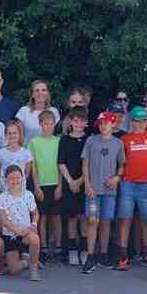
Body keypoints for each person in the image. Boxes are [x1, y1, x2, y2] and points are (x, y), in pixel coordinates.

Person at [115, 106, 147, 269]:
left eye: (144, 121)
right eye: (138, 121)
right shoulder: (125, 139)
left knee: (146, 220)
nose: (141, 124)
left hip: (146, 184)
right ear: (132, 121)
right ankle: (123, 256)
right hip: (128, 184)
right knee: (125, 219)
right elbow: (120, 162)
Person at [81, 111, 125, 272]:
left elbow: (122, 165)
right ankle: (90, 255)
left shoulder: (118, 143)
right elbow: (85, 163)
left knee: (106, 222)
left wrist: (117, 178)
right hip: (93, 190)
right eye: (100, 123)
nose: (103, 126)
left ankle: (104, 254)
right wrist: (87, 184)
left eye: (106, 123)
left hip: (109, 191)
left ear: (113, 124)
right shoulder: (91, 141)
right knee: (93, 221)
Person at [0, 165, 42, 280]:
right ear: (6, 180)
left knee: (34, 238)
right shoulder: (2, 197)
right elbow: (4, 219)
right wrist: (16, 230)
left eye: (17, 178)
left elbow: (36, 213)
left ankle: (34, 268)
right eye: (11, 178)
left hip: (26, 233)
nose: (15, 181)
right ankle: (27, 262)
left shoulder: (28, 195)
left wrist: (33, 225)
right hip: (11, 236)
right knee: (14, 270)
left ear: (22, 178)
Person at [28, 109, 62, 261]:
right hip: (41, 185)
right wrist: (36, 187)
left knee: (56, 216)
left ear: (54, 124)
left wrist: (60, 185)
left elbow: (61, 164)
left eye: (51, 124)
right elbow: (33, 166)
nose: (48, 126)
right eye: (45, 123)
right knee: (42, 217)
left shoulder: (58, 141)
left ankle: (58, 247)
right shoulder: (34, 142)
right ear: (40, 124)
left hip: (56, 184)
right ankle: (43, 247)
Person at [57, 106, 89, 265]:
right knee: (71, 218)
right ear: (70, 122)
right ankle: (72, 251)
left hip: (85, 183)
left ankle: (84, 250)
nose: (78, 124)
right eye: (75, 121)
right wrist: (70, 181)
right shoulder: (64, 140)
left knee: (84, 218)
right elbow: (61, 163)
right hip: (69, 184)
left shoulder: (89, 140)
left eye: (81, 121)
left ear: (86, 122)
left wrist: (80, 180)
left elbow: (90, 164)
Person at [0, 120, 34, 184]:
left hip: (20, 188)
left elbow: (26, 174)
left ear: (19, 134)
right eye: (9, 133)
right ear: (5, 135)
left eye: (15, 133)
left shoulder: (26, 153)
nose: (12, 136)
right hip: (4, 188)